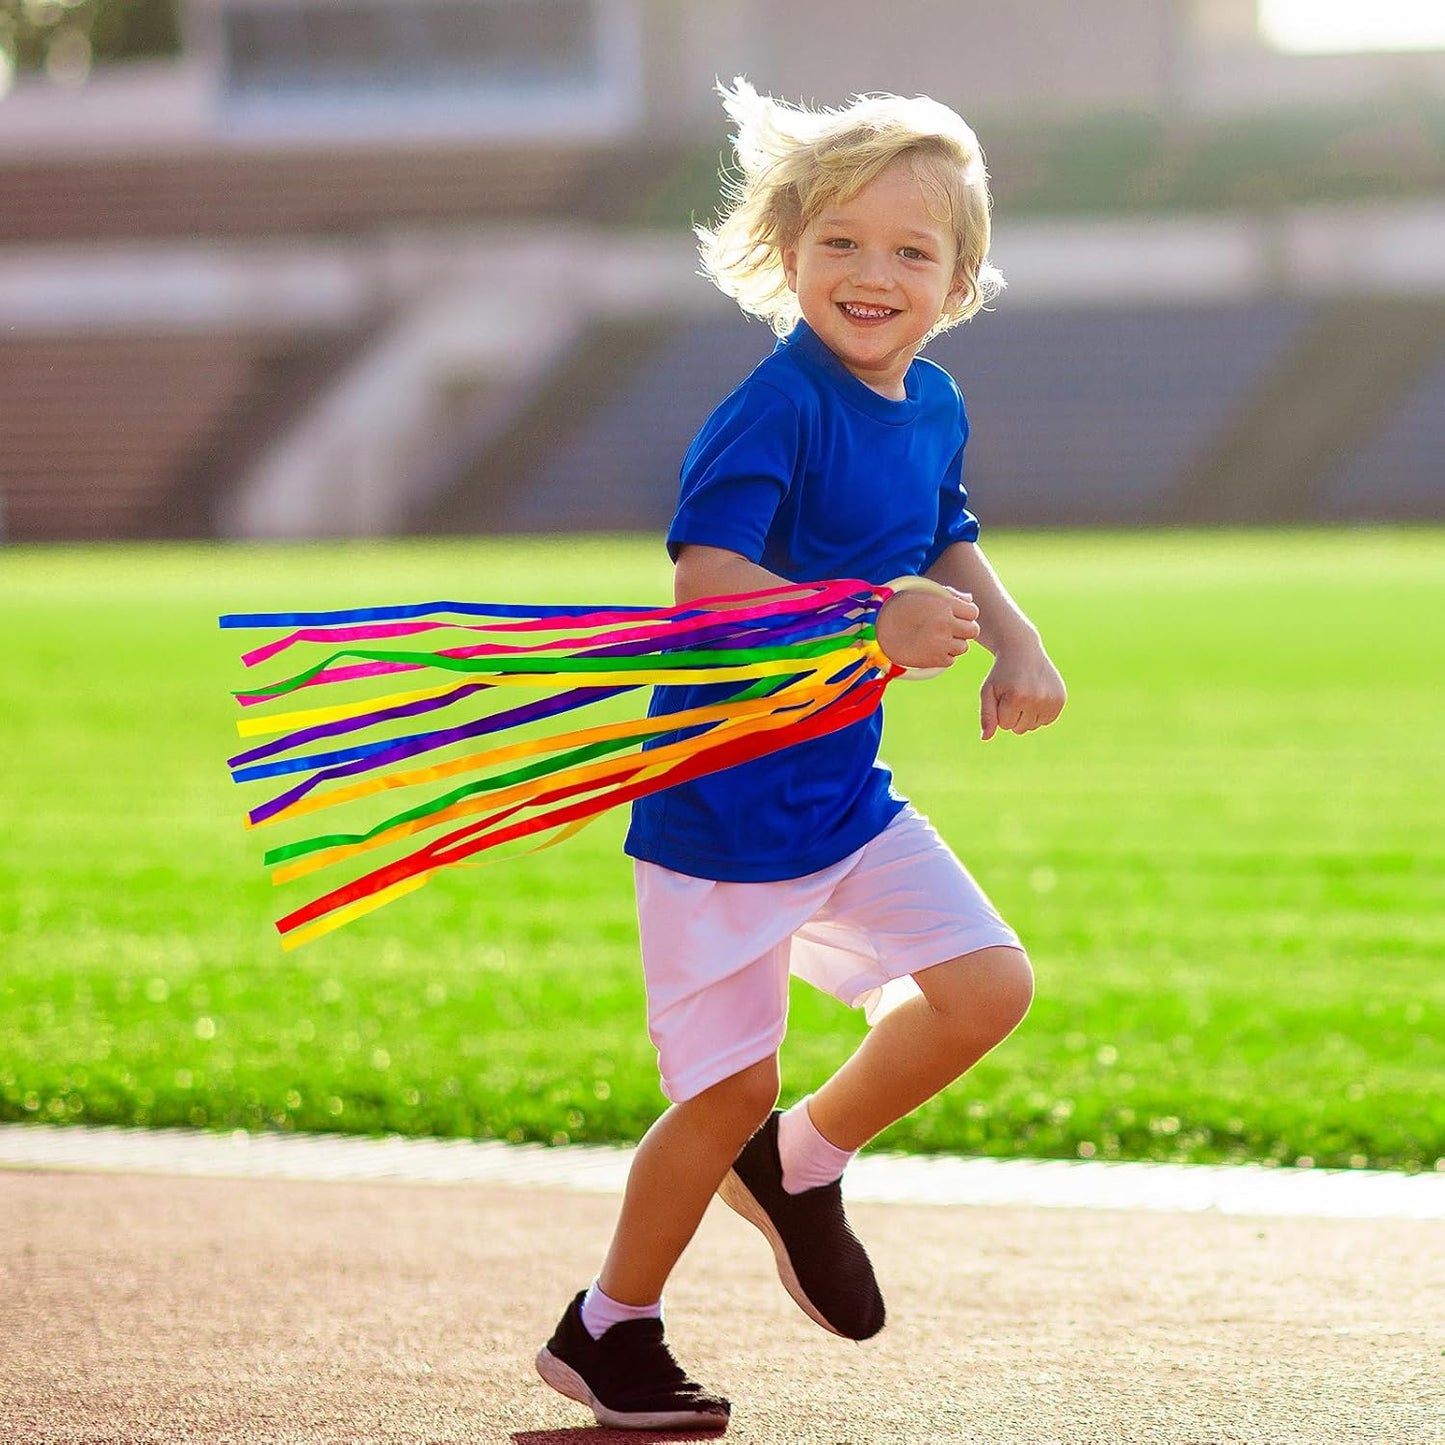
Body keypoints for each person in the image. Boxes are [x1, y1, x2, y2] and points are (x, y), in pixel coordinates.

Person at [535, 77, 1067, 1432]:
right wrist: (863, 621)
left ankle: (806, 1157)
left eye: (910, 250)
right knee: (720, 1092)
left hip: (839, 794)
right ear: (784, 256)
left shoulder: (928, 400)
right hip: (719, 811)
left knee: (984, 986)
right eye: (838, 242)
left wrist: (1014, 638)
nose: (871, 273)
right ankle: (610, 1326)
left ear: (958, 281)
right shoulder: (774, 407)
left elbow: (945, 528)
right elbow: (706, 579)